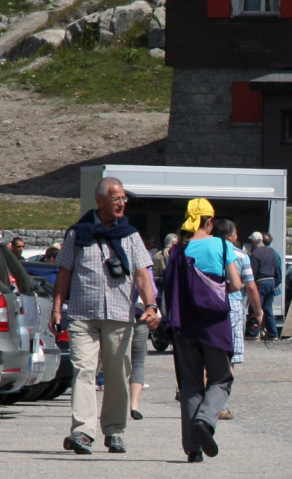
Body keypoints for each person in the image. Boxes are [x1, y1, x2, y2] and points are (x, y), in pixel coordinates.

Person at [51, 177, 161, 455]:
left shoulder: (130, 235)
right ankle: (83, 432)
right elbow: (64, 274)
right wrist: (56, 308)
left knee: (116, 375)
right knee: (83, 371)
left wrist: (151, 305)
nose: (122, 202)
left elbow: (142, 275)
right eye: (116, 198)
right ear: (100, 201)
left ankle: (113, 430)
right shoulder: (78, 234)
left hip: (119, 315)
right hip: (82, 315)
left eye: (124, 198)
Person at [164, 198, 242, 462]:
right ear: (210, 221)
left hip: (184, 326)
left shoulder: (177, 250)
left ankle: (193, 449)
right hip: (215, 325)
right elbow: (235, 283)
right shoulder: (221, 244)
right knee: (221, 379)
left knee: (190, 385)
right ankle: (206, 420)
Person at [213, 218, 264, 421]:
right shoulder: (241, 255)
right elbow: (250, 287)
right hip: (232, 305)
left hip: (208, 303)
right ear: (230, 235)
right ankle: (221, 405)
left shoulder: (205, 252)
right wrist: (257, 311)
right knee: (229, 357)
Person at [128, 266, 158, 421]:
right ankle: (134, 405)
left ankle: (117, 403)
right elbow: (152, 289)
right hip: (140, 316)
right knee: (138, 362)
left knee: (115, 361)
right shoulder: (144, 264)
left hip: (117, 317)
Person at [249, 231, 282, 340]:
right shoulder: (271, 252)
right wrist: (276, 282)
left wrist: (250, 284)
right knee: (268, 309)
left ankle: (254, 333)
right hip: (271, 282)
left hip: (261, 282)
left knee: (255, 308)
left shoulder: (255, 254)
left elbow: (253, 271)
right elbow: (277, 269)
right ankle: (273, 333)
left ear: (254, 242)